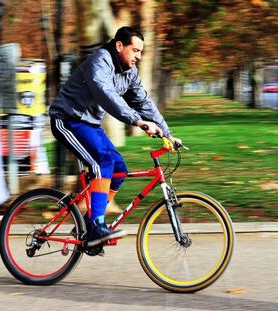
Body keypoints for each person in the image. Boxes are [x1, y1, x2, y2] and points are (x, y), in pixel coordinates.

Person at [49, 26, 182, 247]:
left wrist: (167, 133)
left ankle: (87, 222)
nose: (138, 57)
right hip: (67, 120)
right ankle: (95, 225)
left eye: (141, 52)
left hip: (89, 125)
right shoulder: (100, 61)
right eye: (135, 50)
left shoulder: (130, 73)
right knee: (103, 162)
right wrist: (138, 121)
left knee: (119, 170)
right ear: (119, 45)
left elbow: (143, 102)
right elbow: (106, 94)